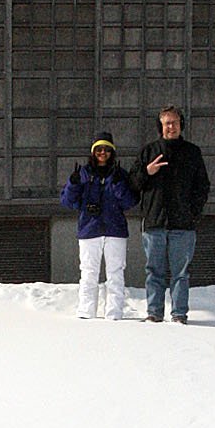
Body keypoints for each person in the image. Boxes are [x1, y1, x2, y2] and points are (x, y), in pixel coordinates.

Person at [129, 106, 210, 323]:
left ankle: (179, 314)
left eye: (174, 122)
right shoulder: (149, 152)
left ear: (181, 124)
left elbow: (202, 186)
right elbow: (133, 184)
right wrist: (147, 172)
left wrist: (193, 213)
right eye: (166, 123)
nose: (171, 127)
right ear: (160, 127)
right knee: (154, 271)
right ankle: (154, 313)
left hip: (183, 224)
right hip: (154, 222)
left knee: (180, 273)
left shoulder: (192, 152)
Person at [60, 133, 138, 320]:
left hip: (115, 230)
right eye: (99, 149)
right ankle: (86, 312)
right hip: (89, 229)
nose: (103, 153)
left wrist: (119, 186)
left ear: (112, 152)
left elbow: (130, 202)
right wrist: (74, 183)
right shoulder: (84, 174)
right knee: (88, 272)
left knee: (116, 273)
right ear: (93, 152)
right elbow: (67, 201)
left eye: (107, 149)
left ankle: (114, 312)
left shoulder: (120, 174)